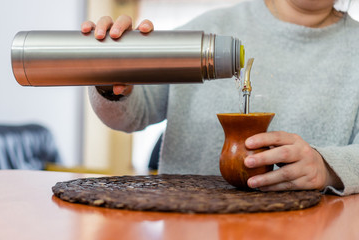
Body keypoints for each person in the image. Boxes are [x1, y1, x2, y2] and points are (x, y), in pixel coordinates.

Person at [82, 0, 359, 195]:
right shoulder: (210, 27)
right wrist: (112, 81)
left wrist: (326, 167)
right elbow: (134, 113)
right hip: (185, 224)